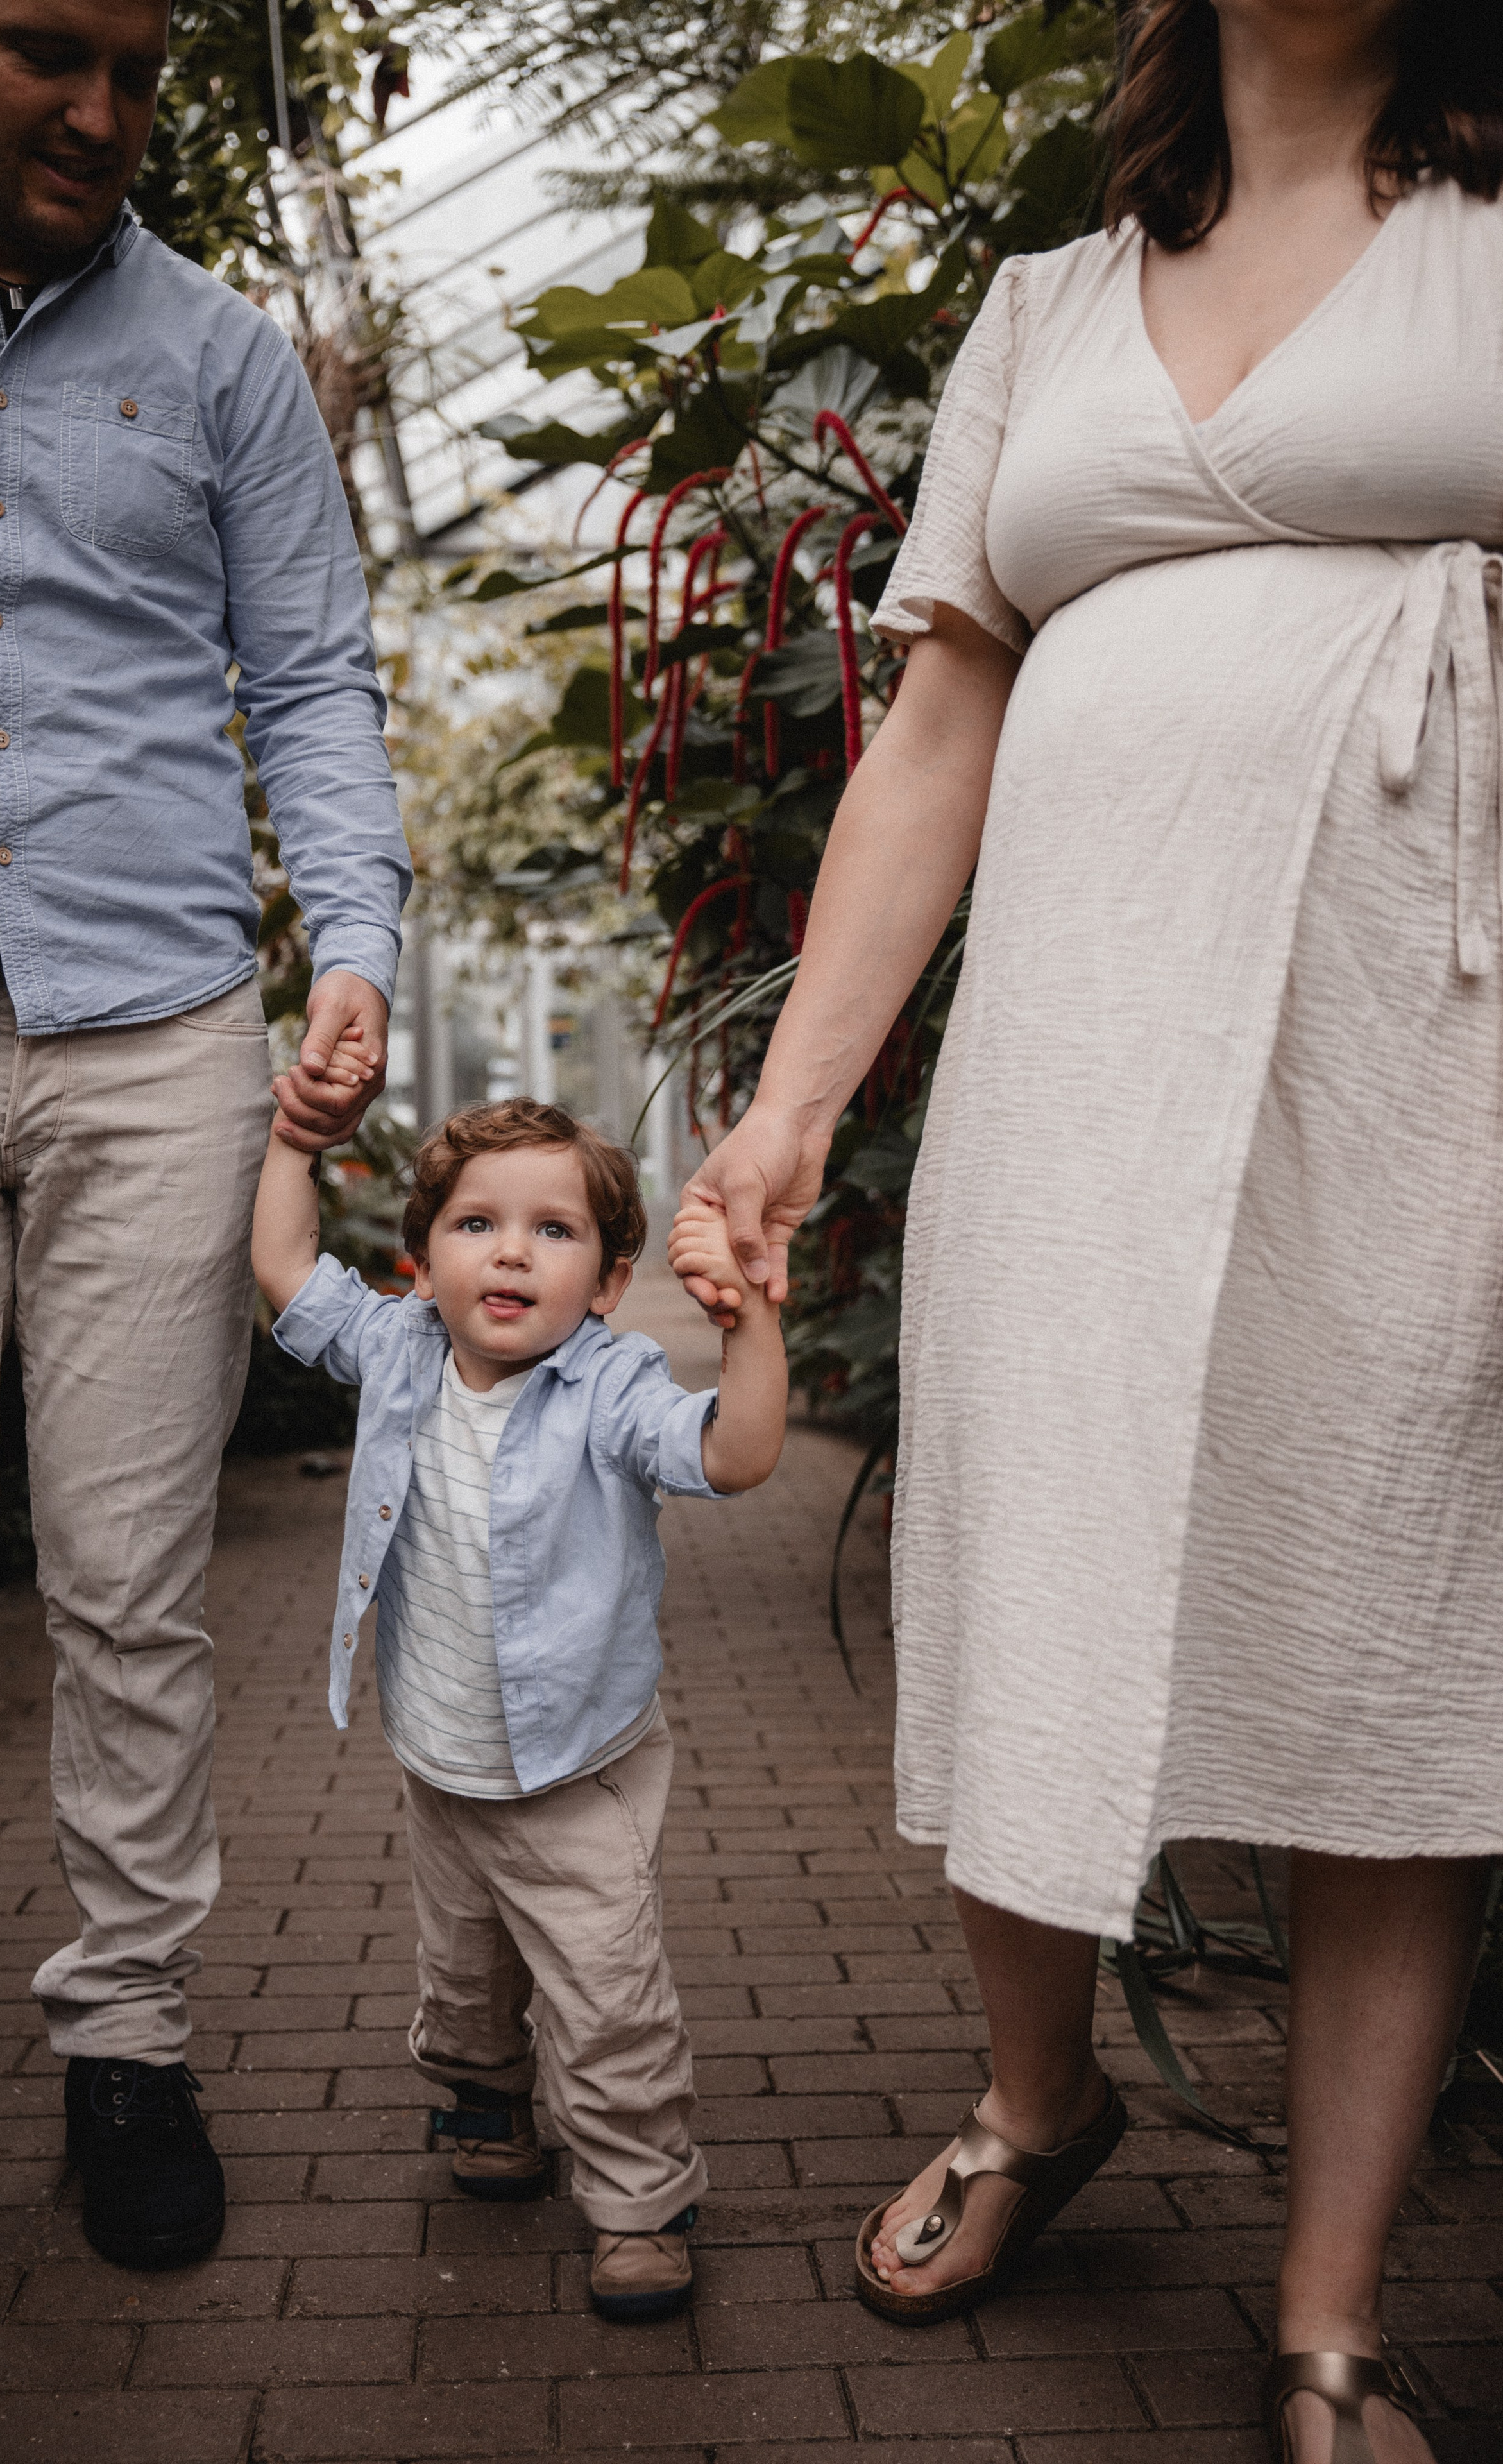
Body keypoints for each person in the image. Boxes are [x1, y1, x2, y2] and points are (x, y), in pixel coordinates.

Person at [672, 3, 1502, 2456]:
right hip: (1074, 1039)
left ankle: (1331, 2304)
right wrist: (792, 1109)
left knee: (1383, 1599)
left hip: (1419, 1039)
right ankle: (1045, 2098)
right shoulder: (1042, 305)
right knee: (1030, 1546)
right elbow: (942, 727)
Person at [0, 0, 413, 2341]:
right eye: (52, 52)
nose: (104, 113)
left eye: (147, 71)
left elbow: (312, 677)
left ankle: (129, 2048)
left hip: (162, 1035)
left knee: (128, 1587)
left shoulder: (225, 361)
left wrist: (360, 947)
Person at [252, 1098, 786, 2320]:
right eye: (475, 1223)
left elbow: (736, 1455)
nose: (508, 1251)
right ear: (422, 1256)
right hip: (438, 1758)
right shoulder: (396, 1351)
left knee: (608, 1999)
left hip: (575, 1770)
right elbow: (283, 1267)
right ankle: (488, 2112)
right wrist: (294, 1138)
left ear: (606, 1284)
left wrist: (750, 1320)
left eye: (553, 1232)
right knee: (462, 1975)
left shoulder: (609, 1386)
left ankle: (642, 2201)